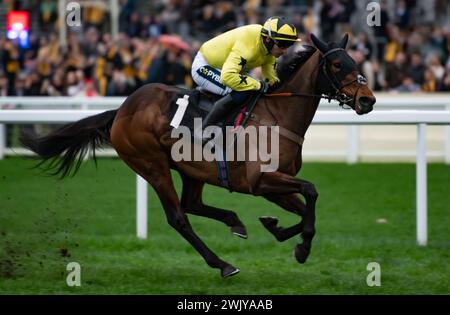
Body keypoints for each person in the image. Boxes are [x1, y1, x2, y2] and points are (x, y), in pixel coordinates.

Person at [191, 16, 301, 136]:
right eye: (283, 44)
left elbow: (271, 79)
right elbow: (227, 77)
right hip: (205, 66)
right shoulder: (249, 47)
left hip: (225, 67)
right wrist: (258, 84)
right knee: (242, 90)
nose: (285, 50)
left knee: (252, 89)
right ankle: (202, 131)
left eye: (289, 45)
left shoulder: (269, 49)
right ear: (268, 39)